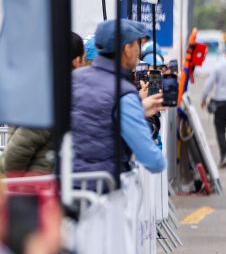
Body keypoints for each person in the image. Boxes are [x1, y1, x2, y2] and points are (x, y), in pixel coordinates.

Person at [71, 19, 166, 177]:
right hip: (106, 186)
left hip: (65, 185)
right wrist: (138, 113)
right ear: (127, 49)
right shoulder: (124, 94)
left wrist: (139, 108)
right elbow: (154, 162)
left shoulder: (74, 79)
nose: (138, 52)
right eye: (137, 45)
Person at [4, 34, 87, 177]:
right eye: (84, 59)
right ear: (76, 61)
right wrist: (16, 182)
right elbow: (18, 150)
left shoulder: (45, 88)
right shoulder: (55, 96)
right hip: (37, 183)